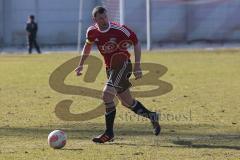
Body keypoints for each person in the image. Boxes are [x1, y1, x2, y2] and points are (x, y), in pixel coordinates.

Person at [75, 6, 160, 143]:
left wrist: (137, 66)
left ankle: (109, 133)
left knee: (107, 94)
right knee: (127, 103)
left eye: (105, 17)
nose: (104, 20)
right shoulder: (92, 32)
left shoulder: (119, 29)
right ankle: (152, 116)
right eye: (100, 18)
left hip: (123, 65)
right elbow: (88, 46)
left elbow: (136, 42)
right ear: (94, 19)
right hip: (110, 69)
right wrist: (80, 64)